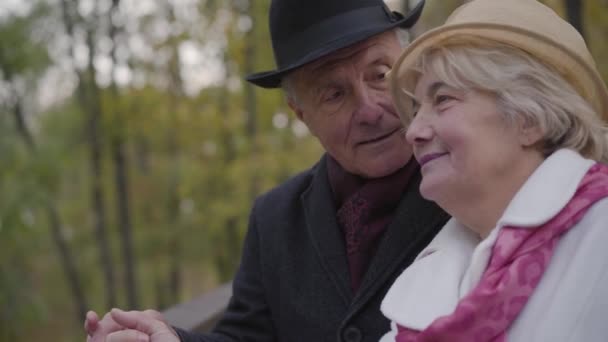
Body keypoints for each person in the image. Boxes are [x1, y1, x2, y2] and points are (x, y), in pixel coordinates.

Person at [85, 0, 450, 341]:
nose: (370, 111)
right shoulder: (275, 220)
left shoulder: (474, 180)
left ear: (410, 70)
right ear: (301, 114)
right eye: (334, 94)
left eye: (380, 74)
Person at [379, 0, 608, 341]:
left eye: (442, 99)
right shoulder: (417, 293)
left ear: (529, 118)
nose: (413, 131)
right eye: (416, 110)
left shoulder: (599, 234)